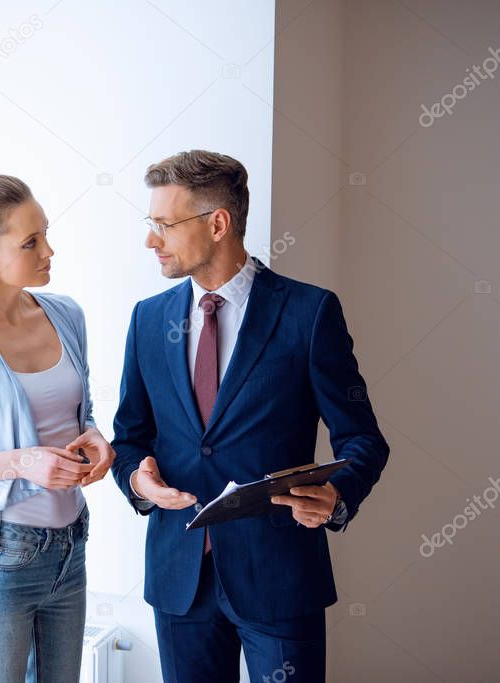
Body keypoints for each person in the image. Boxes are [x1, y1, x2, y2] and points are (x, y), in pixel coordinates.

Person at [110, 150, 390, 682]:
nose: (152, 240)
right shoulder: (148, 320)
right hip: (178, 580)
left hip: (280, 578)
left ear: (218, 223)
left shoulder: (309, 313)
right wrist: (140, 483)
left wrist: (337, 498)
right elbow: (129, 439)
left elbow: (363, 441)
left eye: (164, 225)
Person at [0, 174, 115, 683]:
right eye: (30, 242)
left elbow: (77, 415)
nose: (49, 250)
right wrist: (22, 461)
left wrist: (97, 439)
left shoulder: (66, 315)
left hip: (70, 550)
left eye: (45, 234)